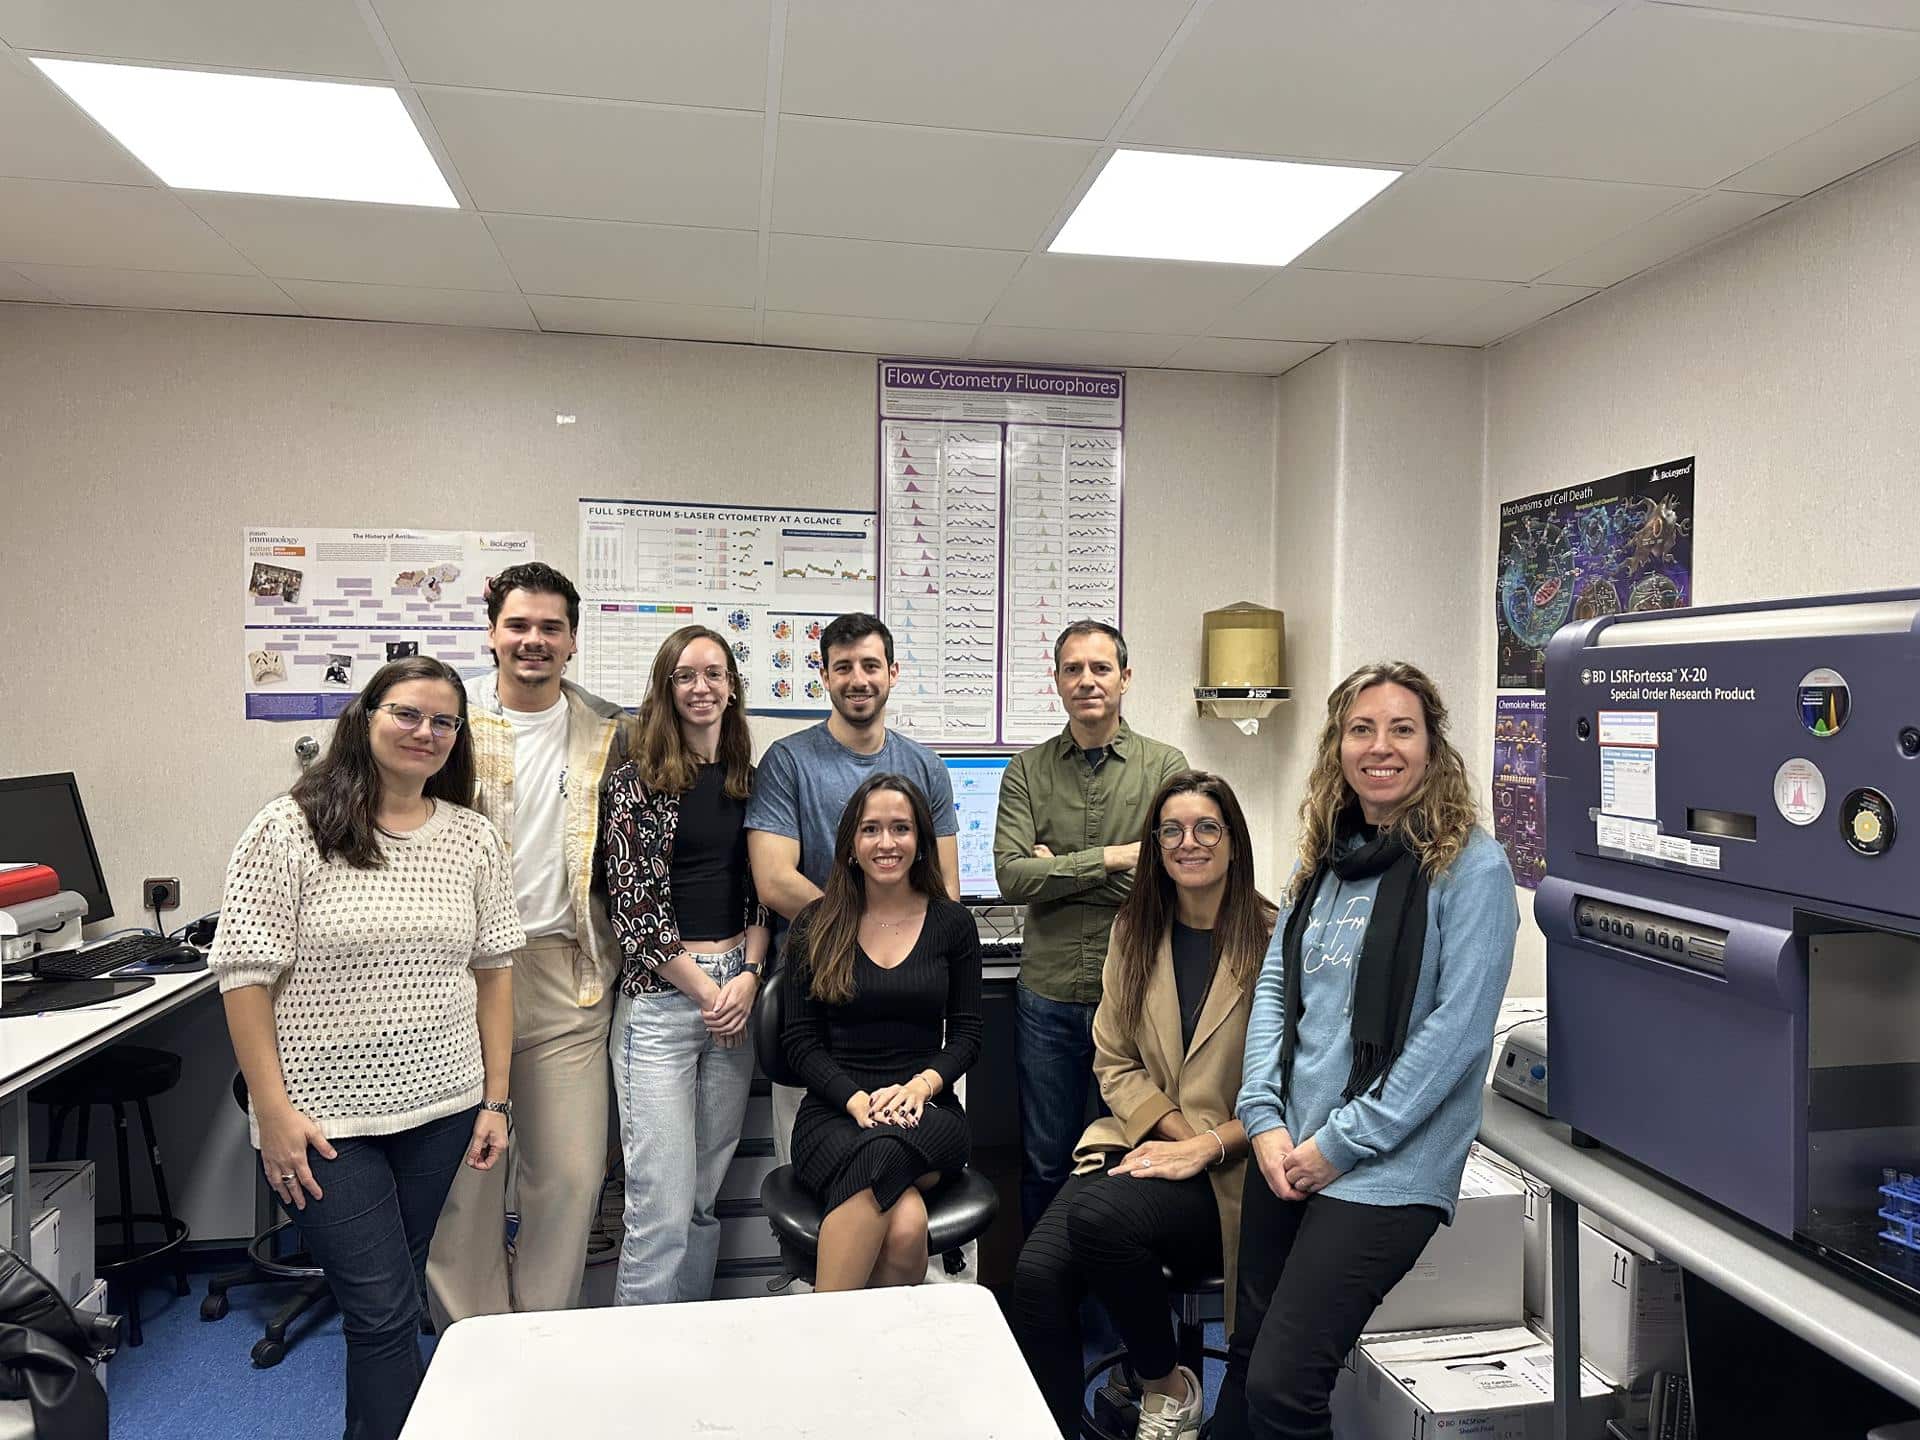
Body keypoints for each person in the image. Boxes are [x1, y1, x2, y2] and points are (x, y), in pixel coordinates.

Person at [211, 658, 521, 1440]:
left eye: (444, 722)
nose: (426, 733)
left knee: (390, 1296)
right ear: (368, 715)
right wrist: (272, 1113)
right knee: (384, 1312)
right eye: (409, 714)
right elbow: (243, 977)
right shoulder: (289, 828)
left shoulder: (474, 838)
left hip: (443, 1106)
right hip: (320, 1123)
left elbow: (494, 976)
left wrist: (495, 1101)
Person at [1215, 663, 1518, 1440]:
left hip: (1386, 1168)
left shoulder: (1471, 868)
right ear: (1338, 746)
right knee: (1247, 1362)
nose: (1380, 747)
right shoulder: (1324, 856)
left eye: (1402, 729)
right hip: (1288, 1148)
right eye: (1362, 729)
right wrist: (1263, 1118)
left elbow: (1455, 1037)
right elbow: (1279, 991)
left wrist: (1340, 1145)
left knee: (1285, 1389)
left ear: (1432, 747)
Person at [1010, 771, 1273, 1439]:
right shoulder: (1136, 930)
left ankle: (1164, 1386)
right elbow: (1114, 1061)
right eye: (1172, 831)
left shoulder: (1277, 941)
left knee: (1099, 1219)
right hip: (1142, 1138)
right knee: (1036, 1277)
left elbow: (1300, 1087)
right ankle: (1078, 1422)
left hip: (1235, 1164)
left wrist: (1202, 1148)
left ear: (1233, 842)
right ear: (1155, 845)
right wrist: (1173, 1134)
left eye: (1206, 827)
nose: (1189, 843)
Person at [427, 562, 628, 1324]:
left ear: (573, 640)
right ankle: (471, 1340)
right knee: (465, 1183)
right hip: (460, 979)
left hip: (565, 974)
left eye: (550, 627)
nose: (533, 640)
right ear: (491, 633)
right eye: (518, 625)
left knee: (571, 1177)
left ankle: (540, 1338)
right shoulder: (445, 725)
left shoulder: (611, 733)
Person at [994, 620, 1189, 1231]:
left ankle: (1110, 1326)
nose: (1087, 681)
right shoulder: (1025, 771)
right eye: (1073, 669)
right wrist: (1115, 856)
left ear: (1125, 678)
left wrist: (1060, 868)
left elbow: (1172, 875)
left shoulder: (1166, 766)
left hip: (1135, 997)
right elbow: (1011, 877)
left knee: (1124, 1158)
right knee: (1046, 1161)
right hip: (1047, 995)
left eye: (1100, 668)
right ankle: (1043, 1317)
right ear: (1056, 682)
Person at [746, 612, 960, 1166]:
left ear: (892, 672)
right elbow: (773, 881)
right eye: (842, 667)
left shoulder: (925, 766)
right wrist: (865, 935)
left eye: (870, 665)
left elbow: (945, 889)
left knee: (909, 1176)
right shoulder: (788, 762)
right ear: (824, 675)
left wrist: (899, 945)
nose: (857, 679)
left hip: (910, 1017)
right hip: (822, 1001)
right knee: (816, 1178)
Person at [600, 625, 771, 1304]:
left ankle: (690, 1345)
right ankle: (636, 1374)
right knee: (659, 1210)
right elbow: (634, 913)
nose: (701, 687)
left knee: (703, 1199)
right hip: (664, 1006)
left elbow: (763, 898)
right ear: (665, 691)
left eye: (714, 674)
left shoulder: (751, 783)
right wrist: (709, 994)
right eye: (685, 676)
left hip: (737, 994)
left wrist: (749, 979)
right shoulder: (632, 786)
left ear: (732, 688)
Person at [780, 774, 983, 1291]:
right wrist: (854, 1100)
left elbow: (966, 1035)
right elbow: (799, 1043)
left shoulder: (952, 925)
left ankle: (823, 1336)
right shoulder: (815, 924)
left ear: (921, 842)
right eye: (871, 829)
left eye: (901, 828)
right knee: (906, 1219)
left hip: (926, 1111)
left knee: (884, 1151)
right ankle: (883, 1364)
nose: (886, 842)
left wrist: (920, 1087)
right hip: (835, 1113)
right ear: (851, 843)